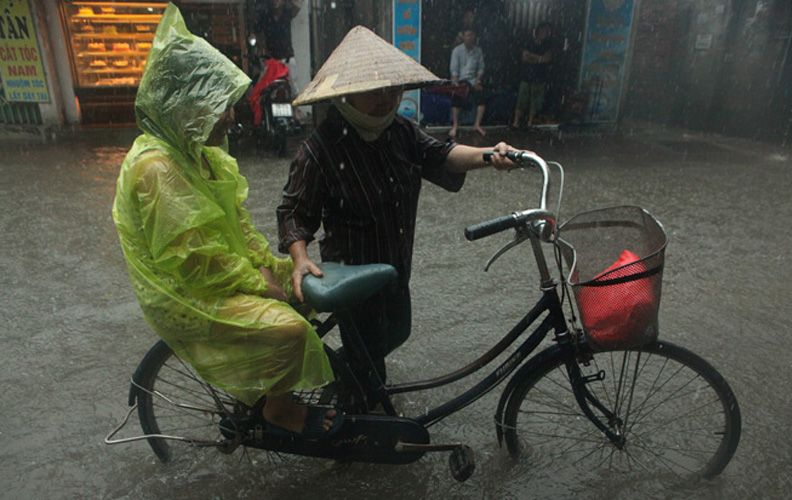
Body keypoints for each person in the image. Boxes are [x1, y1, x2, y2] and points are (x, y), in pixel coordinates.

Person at [112, 4, 340, 440]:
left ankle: (263, 384)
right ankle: (278, 407)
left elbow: (240, 234)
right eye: (221, 108)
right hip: (187, 293)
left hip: (223, 273)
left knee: (309, 290)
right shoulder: (156, 169)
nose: (233, 118)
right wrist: (261, 286)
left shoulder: (203, 156)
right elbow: (195, 262)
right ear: (185, 107)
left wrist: (277, 270)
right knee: (289, 329)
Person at [276, 26, 533, 406]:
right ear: (347, 93)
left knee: (396, 331)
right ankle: (350, 427)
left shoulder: (400, 132)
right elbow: (295, 211)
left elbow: (441, 154)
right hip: (354, 274)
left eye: (393, 89)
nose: (386, 100)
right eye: (373, 92)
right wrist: (299, 259)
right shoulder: (321, 149)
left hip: (395, 264)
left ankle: (345, 379)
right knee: (369, 369)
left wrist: (489, 156)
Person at [255, 0, 302, 117]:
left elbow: (297, 7)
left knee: (294, 88)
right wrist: (262, 48)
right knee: (265, 88)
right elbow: (255, 33)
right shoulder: (265, 16)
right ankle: (265, 115)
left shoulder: (287, 13)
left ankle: (295, 112)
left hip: (287, 57)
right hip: (272, 60)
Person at [510, 22, 555, 130]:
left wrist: (533, 57)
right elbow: (525, 58)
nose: (545, 33)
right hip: (526, 76)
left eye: (547, 31)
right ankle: (516, 123)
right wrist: (539, 59)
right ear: (538, 31)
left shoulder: (547, 45)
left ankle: (530, 123)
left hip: (539, 77)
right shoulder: (529, 43)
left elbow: (547, 58)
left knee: (535, 102)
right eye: (544, 30)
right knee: (521, 100)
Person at [449, 28, 488, 137]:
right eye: (468, 36)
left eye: (472, 35)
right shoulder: (456, 51)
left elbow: (481, 68)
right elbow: (454, 69)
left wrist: (478, 82)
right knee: (457, 96)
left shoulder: (478, 51)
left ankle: (477, 124)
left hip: (474, 81)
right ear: (463, 37)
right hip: (461, 80)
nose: (470, 38)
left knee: (482, 97)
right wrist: (456, 83)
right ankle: (455, 125)